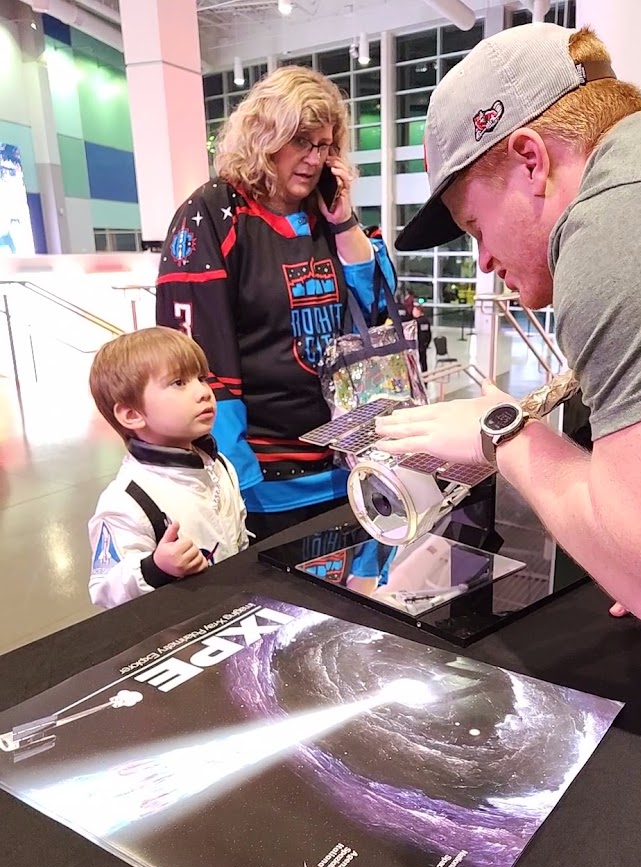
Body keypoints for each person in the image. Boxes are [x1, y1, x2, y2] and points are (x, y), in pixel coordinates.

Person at [377, 22, 641, 634]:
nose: (484, 263)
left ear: (530, 160)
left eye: (475, 227)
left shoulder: (621, 218)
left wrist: (500, 432)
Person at [155, 66, 395, 543]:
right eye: (301, 141)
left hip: (349, 463)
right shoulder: (214, 214)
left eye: (325, 146)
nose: (314, 159)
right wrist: (236, 479)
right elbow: (200, 362)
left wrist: (345, 222)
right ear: (265, 137)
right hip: (265, 483)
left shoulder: (326, 214)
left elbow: (380, 310)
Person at [87, 327, 249, 609]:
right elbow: (104, 590)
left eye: (201, 379)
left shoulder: (219, 464)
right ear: (132, 414)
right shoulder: (128, 500)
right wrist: (155, 567)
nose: (203, 393)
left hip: (235, 608)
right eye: (178, 383)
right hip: (181, 630)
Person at [412, 304, 432, 372]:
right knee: (423, 361)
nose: (413, 312)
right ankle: (425, 376)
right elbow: (428, 333)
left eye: (414, 310)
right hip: (424, 344)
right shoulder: (426, 321)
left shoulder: (416, 322)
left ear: (418, 311)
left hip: (418, 344)